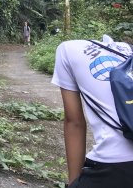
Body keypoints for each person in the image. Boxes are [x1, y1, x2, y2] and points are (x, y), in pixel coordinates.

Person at [51, 35, 133, 187]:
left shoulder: (68, 49)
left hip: (114, 165)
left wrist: (74, 183)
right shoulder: (129, 52)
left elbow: (74, 122)